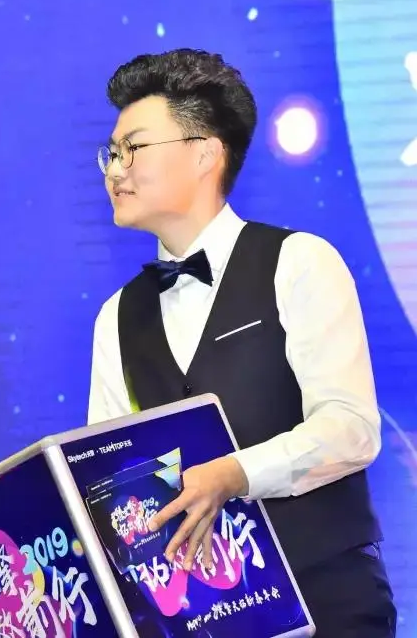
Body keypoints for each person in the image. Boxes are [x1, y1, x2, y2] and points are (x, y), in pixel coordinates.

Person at [87, 49, 395, 637]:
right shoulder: (115, 317)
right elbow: (108, 474)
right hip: (203, 620)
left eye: (133, 148)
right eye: (111, 152)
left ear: (205, 153)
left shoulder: (299, 262)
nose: (114, 169)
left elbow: (351, 428)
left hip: (328, 602)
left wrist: (235, 472)